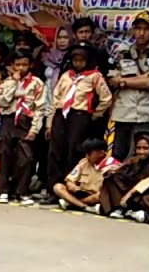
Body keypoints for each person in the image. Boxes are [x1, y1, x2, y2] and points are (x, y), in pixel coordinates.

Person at [47, 42, 112, 196]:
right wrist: (50, 122)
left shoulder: (95, 76)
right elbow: (56, 97)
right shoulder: (66, 75)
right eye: (75, 60)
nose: (78, 63)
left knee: (74, 151)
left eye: (81, 60)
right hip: (61, 115)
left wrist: (94, 115)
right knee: (55, 151)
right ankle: (53, 189)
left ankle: (70, 188)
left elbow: (106, 98)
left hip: (80, 116)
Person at [107, 11, 149, 161]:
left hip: (145, 113)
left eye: (146, 29)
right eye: (138, 28)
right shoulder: (123, 52)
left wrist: (124, 81)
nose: (141, 33)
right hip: (121, 113)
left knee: (143, 157)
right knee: (117, 157)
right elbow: (112, 80)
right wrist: (141, 78)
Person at [0, 49, 45, 205]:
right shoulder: (6, 82)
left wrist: (34, 129)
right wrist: (13, 83)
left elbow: (40, 108)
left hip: (25, 120)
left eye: (24, 64)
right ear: (12, 65)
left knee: (26, 157)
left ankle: (21, 191)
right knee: (5, 154)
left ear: (30, 65)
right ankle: (3, 191)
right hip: (8, 120)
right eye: (17, 65)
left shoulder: (37, 83)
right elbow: (1, 102)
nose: (21, 68)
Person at [99, 129, 149, 219]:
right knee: (110, 179)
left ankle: (131, 211)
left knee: (146, 199)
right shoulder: (134, 159)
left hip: (141, 193)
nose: (141, 151)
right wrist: (113, 171)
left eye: (145, 148)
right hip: (128, 189)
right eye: (138, 148)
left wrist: (129, 194)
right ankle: (117, 208)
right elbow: (121, 171)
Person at [52, 137, 117, 212]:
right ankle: (83, 206)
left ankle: (73, 204)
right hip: (82, 193)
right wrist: (72, 185)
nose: (87, 156)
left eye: (89, 154)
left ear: (101, 153)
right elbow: (70, 179)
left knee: (102, 196)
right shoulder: (84, 163)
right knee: (58, 187)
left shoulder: (113, 166)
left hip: (97, 197)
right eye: (86, 153)